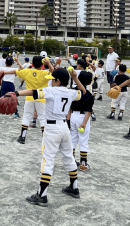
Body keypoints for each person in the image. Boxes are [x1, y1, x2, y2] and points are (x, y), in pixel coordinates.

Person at [7, 68, 87, 206]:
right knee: (69, 157)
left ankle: (42, 195)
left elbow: (33, 92)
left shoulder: (51, 91)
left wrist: (16, 93)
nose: (51, 82)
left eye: (53, 80)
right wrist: (75, 78)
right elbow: (84, 92)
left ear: (58, 81)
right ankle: (74, 188)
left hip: (52, 129)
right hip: (64, 128)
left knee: (48, 160)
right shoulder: (72, 92)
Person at [5, 56, 52, 143]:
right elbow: (54, 73)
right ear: (42, 64)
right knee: (42, 118)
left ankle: (22, 137)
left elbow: (14, 71)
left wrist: (4, 73)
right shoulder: (45, 73)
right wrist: (49, 63)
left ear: (32, 63)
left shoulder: (28, 71)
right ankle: (45, 138)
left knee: (27, 116)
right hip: (41, 98)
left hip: (29, 97)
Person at [68, 71, 94, 171]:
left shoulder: (72, 91)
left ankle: (71, 161)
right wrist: (84, 123)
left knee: (73, 139)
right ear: (89, 82)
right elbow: (89, 110)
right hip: (82, 117)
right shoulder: (88, 94)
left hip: (73, 116)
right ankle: (83, 163)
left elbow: (69, 108)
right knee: (83, 140)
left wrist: (68, 119)